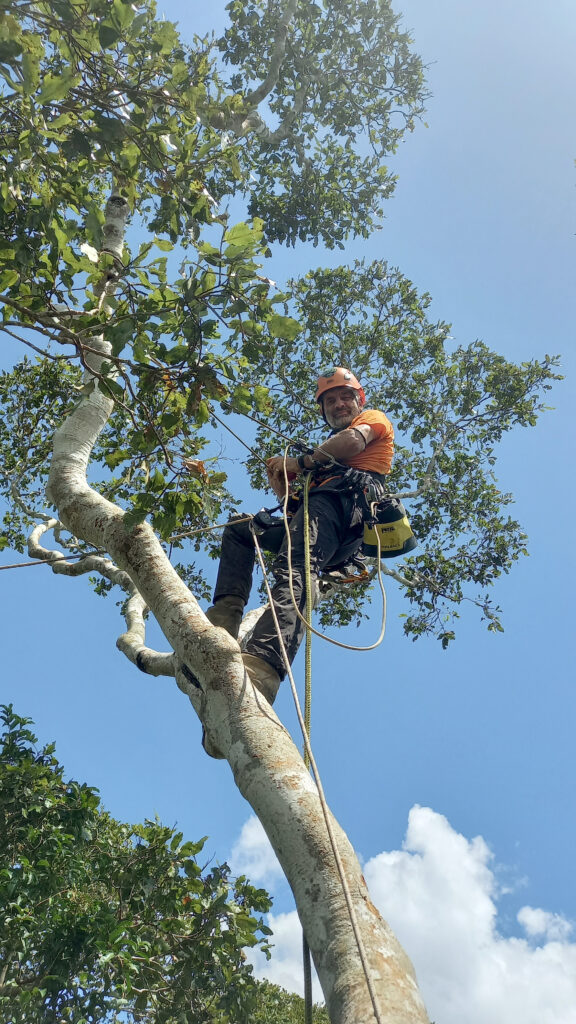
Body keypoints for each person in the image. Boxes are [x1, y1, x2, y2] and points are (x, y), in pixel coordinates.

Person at [204, 368, 394, 752]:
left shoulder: (371, 422)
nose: (338, 404)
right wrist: (284, 485)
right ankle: (224, 622)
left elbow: (352, 442)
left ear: (359, 399)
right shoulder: (323, 461)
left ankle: (261, 669)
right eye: (329, 401)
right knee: (241, 531)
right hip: (318, 513)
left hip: (343, 510)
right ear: (323, 411)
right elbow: (297, 511)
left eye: (344, 397)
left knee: (293, 570)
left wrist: (301, 463)